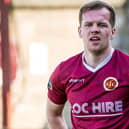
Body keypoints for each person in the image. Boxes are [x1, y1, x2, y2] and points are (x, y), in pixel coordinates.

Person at [47, 1, 129, 129]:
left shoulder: (126, 66)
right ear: (80, 31)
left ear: (113, 32)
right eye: (88, 25)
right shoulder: (64, 71)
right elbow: (53, 115)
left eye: (101, 25)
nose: (94, 29)